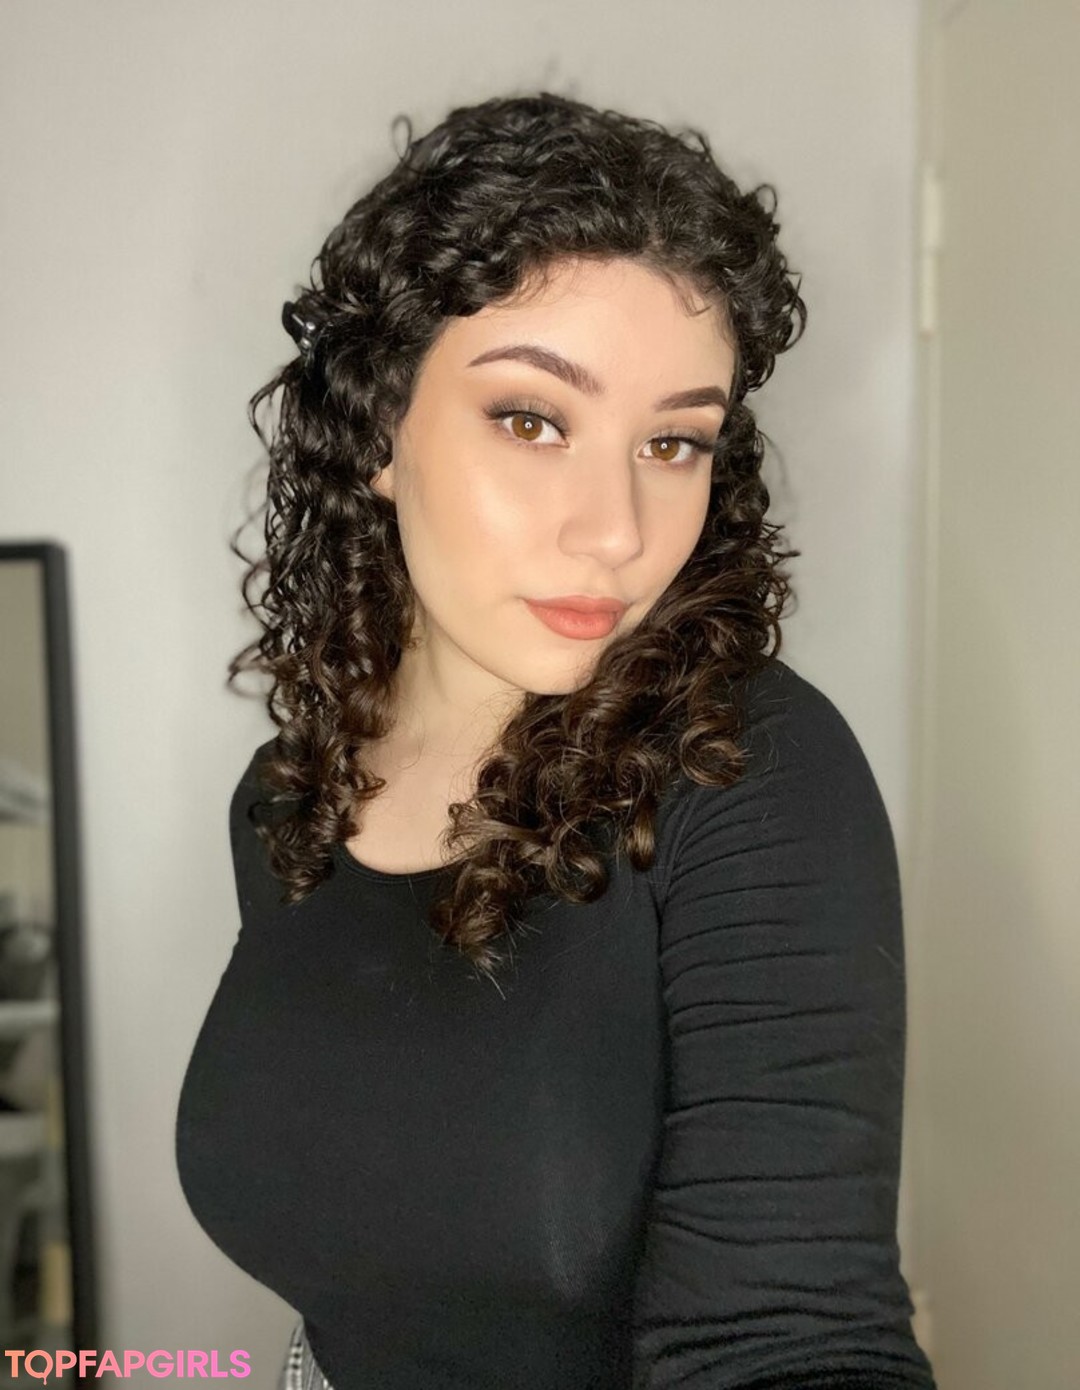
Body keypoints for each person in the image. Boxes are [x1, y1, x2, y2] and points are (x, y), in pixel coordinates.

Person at [175, 91, 937, 1390]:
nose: (618, 530)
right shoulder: (289, 800)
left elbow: (797, 1343)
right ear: (376, 427)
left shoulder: (748, 770)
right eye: (532, 420)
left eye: (674, 441)